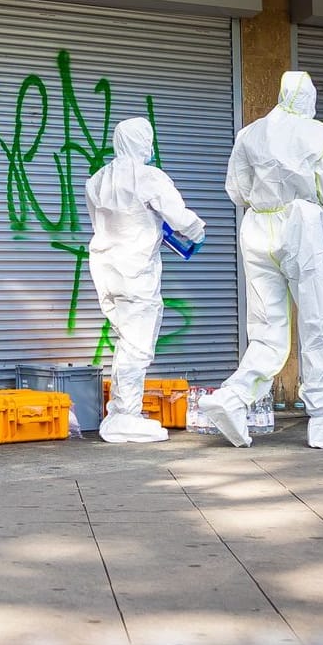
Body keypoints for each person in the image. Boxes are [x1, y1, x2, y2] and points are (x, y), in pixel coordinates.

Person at [198, 70, 323, 449]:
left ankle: (232, 399)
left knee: (267, 328)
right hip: (301, 222)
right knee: (318, 322)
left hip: (257, 226)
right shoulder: (320, 134)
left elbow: (236, 189)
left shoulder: (249, 133)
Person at [85, 118, 205, 443]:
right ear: (143, 141)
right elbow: (180, 217)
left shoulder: (96, 181)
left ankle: (120, 412)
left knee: (125, 341)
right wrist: (198, 231)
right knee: (137, 347)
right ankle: (126, 414)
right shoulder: (150, 177)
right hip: (136, 271)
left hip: (106, 269)